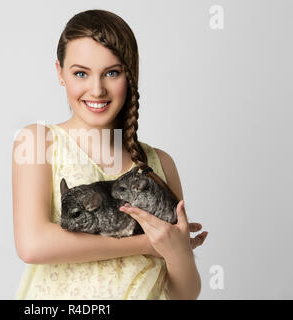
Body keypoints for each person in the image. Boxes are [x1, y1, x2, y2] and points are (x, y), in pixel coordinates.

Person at [12, 9, 208, 299]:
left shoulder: (159, 164)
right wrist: (146, 243)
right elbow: (33, 245)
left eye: (112, 73)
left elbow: (185, 293)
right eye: (81, 73)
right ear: (60, 73)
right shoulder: (39, 141)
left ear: (130, 75)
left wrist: (176, 250)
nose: (97, 89)